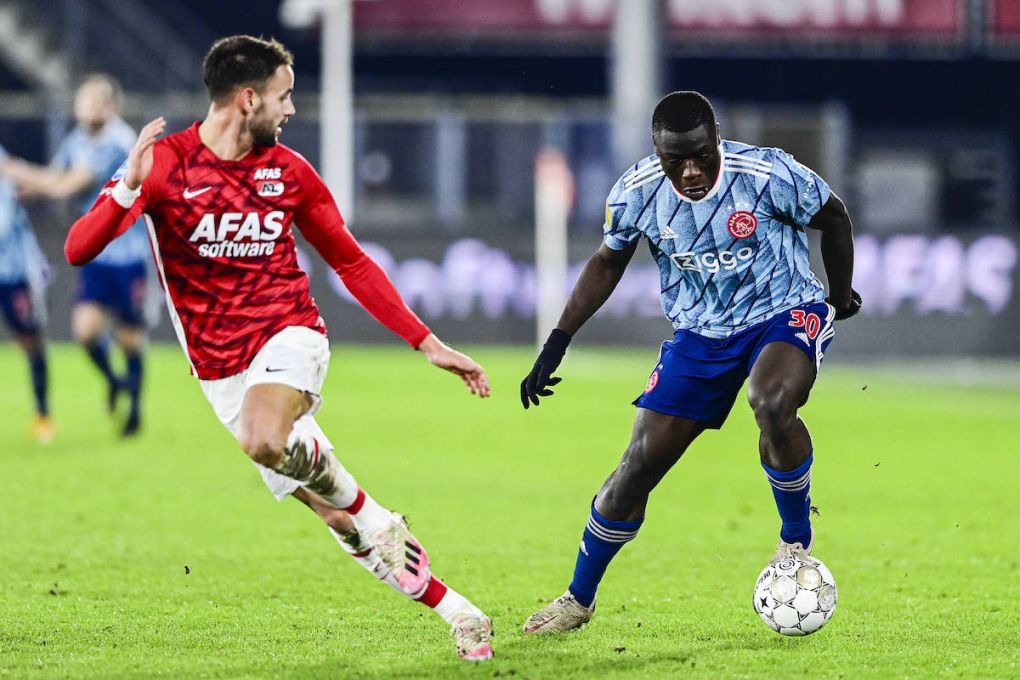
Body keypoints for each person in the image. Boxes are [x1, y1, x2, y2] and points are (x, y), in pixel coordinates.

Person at [64, 35, 494, 661]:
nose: (291, 110)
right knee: (339, 523)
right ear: (247, 99)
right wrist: (127, 188)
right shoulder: (162, 166)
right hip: (220, 376)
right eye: (283, 95)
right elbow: (78, 248)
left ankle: (375, 513)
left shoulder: (289, 173)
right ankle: (462, 613)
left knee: (268, 440)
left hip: (290, 336)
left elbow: (350, 261)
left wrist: (426, 343)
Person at [520, 91, 861, 634]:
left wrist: (839, 298)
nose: (691, 170)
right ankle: (577, 599)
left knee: (770, 401)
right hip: (699, 335)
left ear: (717, 141)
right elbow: (608, 262)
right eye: (675, 159)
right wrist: (557, 340)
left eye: (702, 155)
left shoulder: (767, 173)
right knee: (636, 467)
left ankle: (795, 539)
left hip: (783, 312)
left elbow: (835, 216)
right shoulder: (637, 192)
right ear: (657, 153)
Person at [5, 74, 152, 436]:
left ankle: (133, 408)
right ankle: (117, 382)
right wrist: (20, 190)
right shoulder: (78, 138)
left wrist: (17, 170)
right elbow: (54, 176)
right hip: (99, 253)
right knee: (85, 332)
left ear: (111, 106)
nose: (87, 106)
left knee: (130, 338)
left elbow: (67, 184)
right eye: (84, 100)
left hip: (129, 254)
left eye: (96, 101)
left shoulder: (117, 141)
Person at [0, 144, 54, 443]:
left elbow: (3, 226)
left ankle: (43, 414)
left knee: (30, 341)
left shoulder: (6, 172)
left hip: (15, 275)